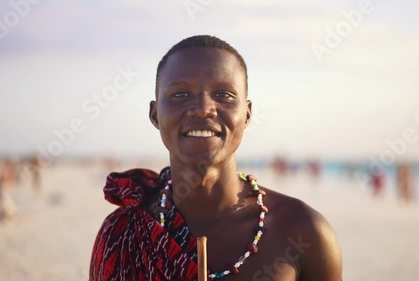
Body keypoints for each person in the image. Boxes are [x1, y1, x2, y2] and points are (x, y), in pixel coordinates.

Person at [89, 35, 342, 281]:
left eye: (224, 94)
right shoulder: (123, 233)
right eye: (180, 94)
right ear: (155, 114)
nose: (202, 108)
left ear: (247, 114)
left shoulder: (303, 231)